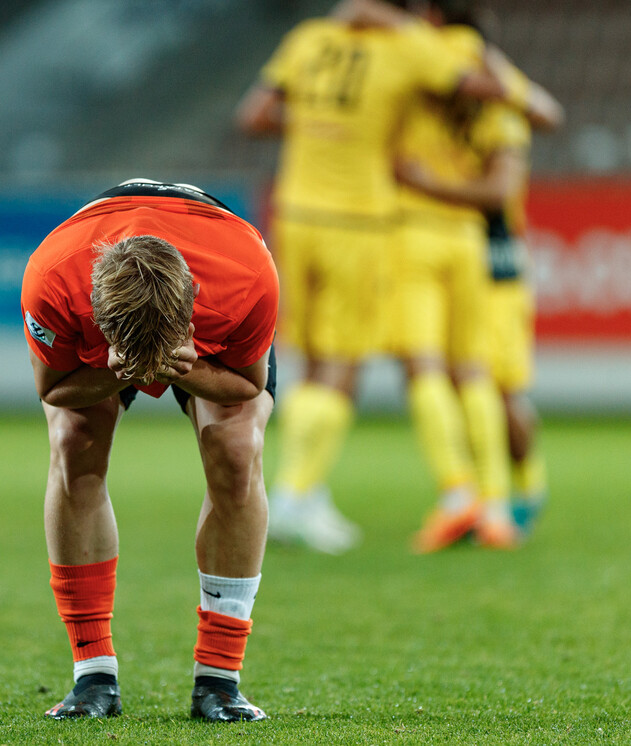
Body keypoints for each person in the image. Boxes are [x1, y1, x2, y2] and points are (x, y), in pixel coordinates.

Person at [234, 0, 547, 554]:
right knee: (368, 362)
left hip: (301, 213)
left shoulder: (310, 38)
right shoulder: (412, 50)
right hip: (373, 222)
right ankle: (297, 495)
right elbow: (495, 92)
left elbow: (254, 115)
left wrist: (325, 126)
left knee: (314, 362)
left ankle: (304, 490)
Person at [21, 179, 279, 722]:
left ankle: (219, 681)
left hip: (208, 296)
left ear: (193, 311)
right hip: (102, 335)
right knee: (73, 444)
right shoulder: (52, 279)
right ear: (98, 317)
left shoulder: (247, 275)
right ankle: (93, 677)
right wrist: (111, 372)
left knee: (237, 449)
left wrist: (195, 366)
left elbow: (249, 386)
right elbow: (53, 388)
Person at [395, 49, 554, 540]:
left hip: (496, 263)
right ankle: (481, 498)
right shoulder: (422, 103)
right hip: (449, 256)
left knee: (500, 387)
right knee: (448, 378)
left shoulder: (500, 113)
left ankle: (526, 488)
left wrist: (426, 185)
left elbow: (503, 183)